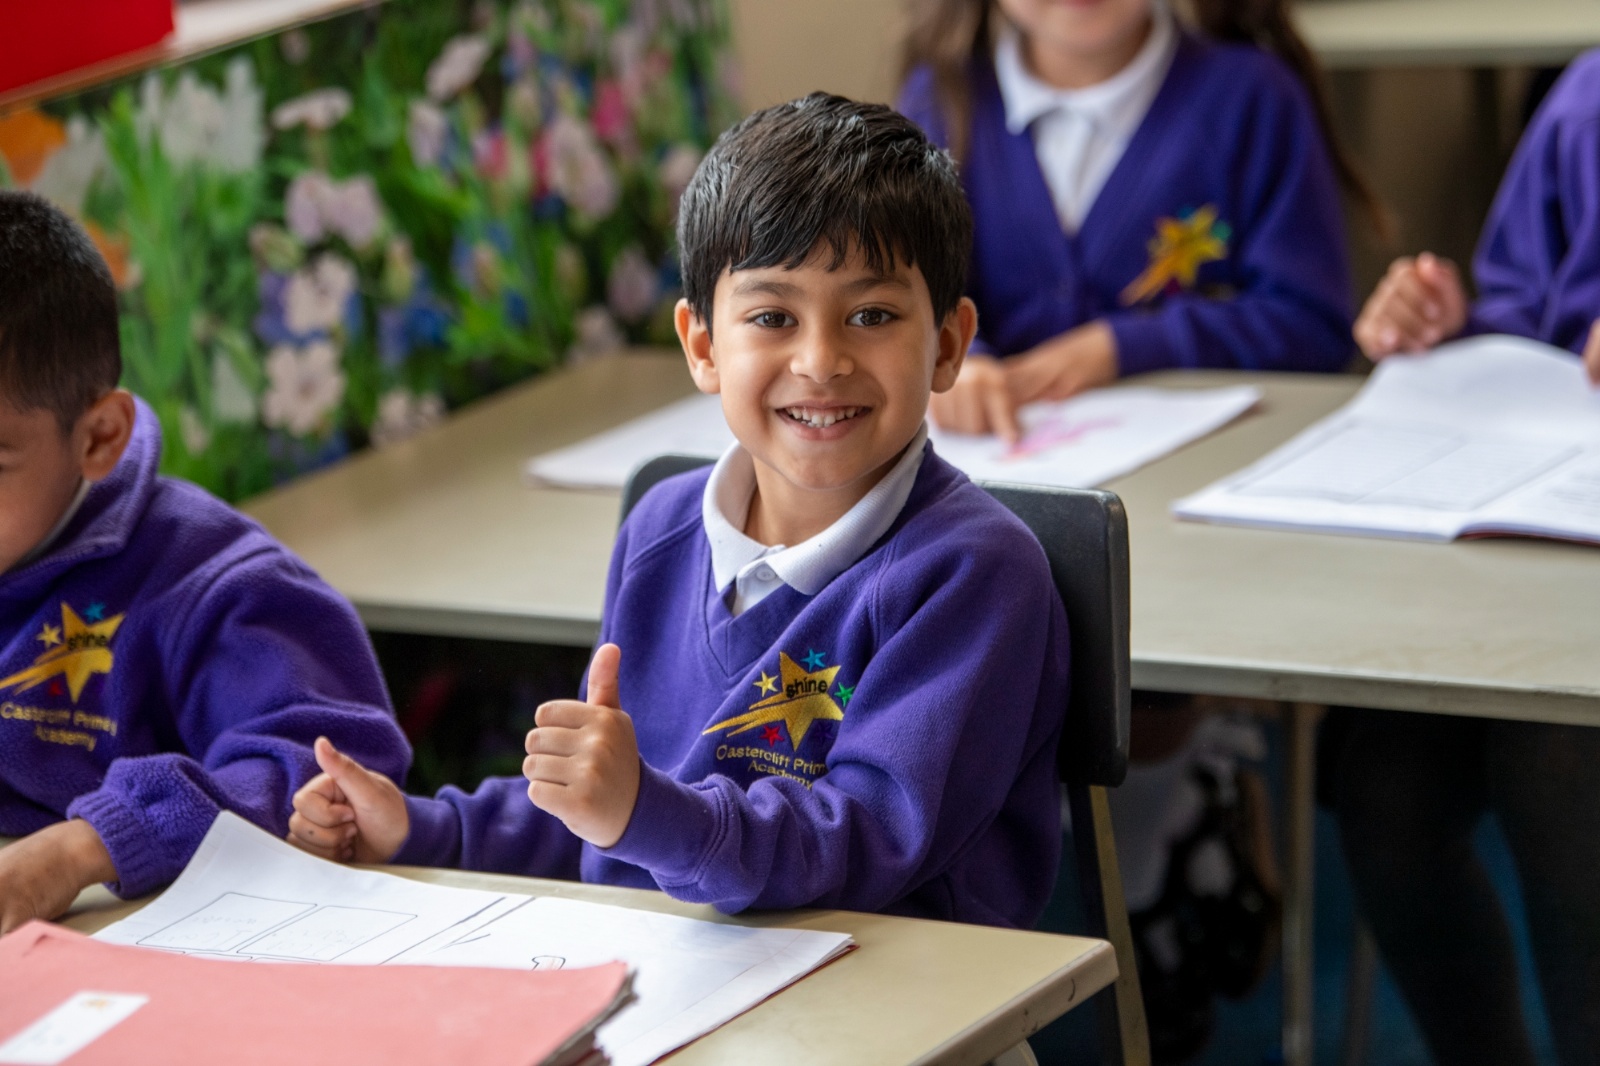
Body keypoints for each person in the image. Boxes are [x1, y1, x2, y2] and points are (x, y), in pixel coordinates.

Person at [286, 93, 1072, 930]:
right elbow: (598, 808)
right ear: (702, 347)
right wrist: (424, 831)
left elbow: (865, 844)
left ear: (949, 345)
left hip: (885, 988)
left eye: (871, 315)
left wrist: (644, 813)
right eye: (772, 317)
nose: (820, 360)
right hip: (668, 970)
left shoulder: (972, 574)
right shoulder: (662, 528)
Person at [0, 190, 411, 933]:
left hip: (150, 963)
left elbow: (330, 768)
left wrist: (81, 849)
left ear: (98, 436)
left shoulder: (214, 584)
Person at [1331, 54, 1600, 1066]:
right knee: (1383, 779)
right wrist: (1449, 330)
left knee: (1561, 759)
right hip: (1543, 555)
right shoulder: (1585, 102)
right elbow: (1525, 325)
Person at [897, 0, 1374, 443]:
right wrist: (957, 358)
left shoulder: (1254, 98)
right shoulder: (938, 102)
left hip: (1207, 464)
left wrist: (1122, 348)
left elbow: (1311, 326)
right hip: (1004, 471)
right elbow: (909, 297)